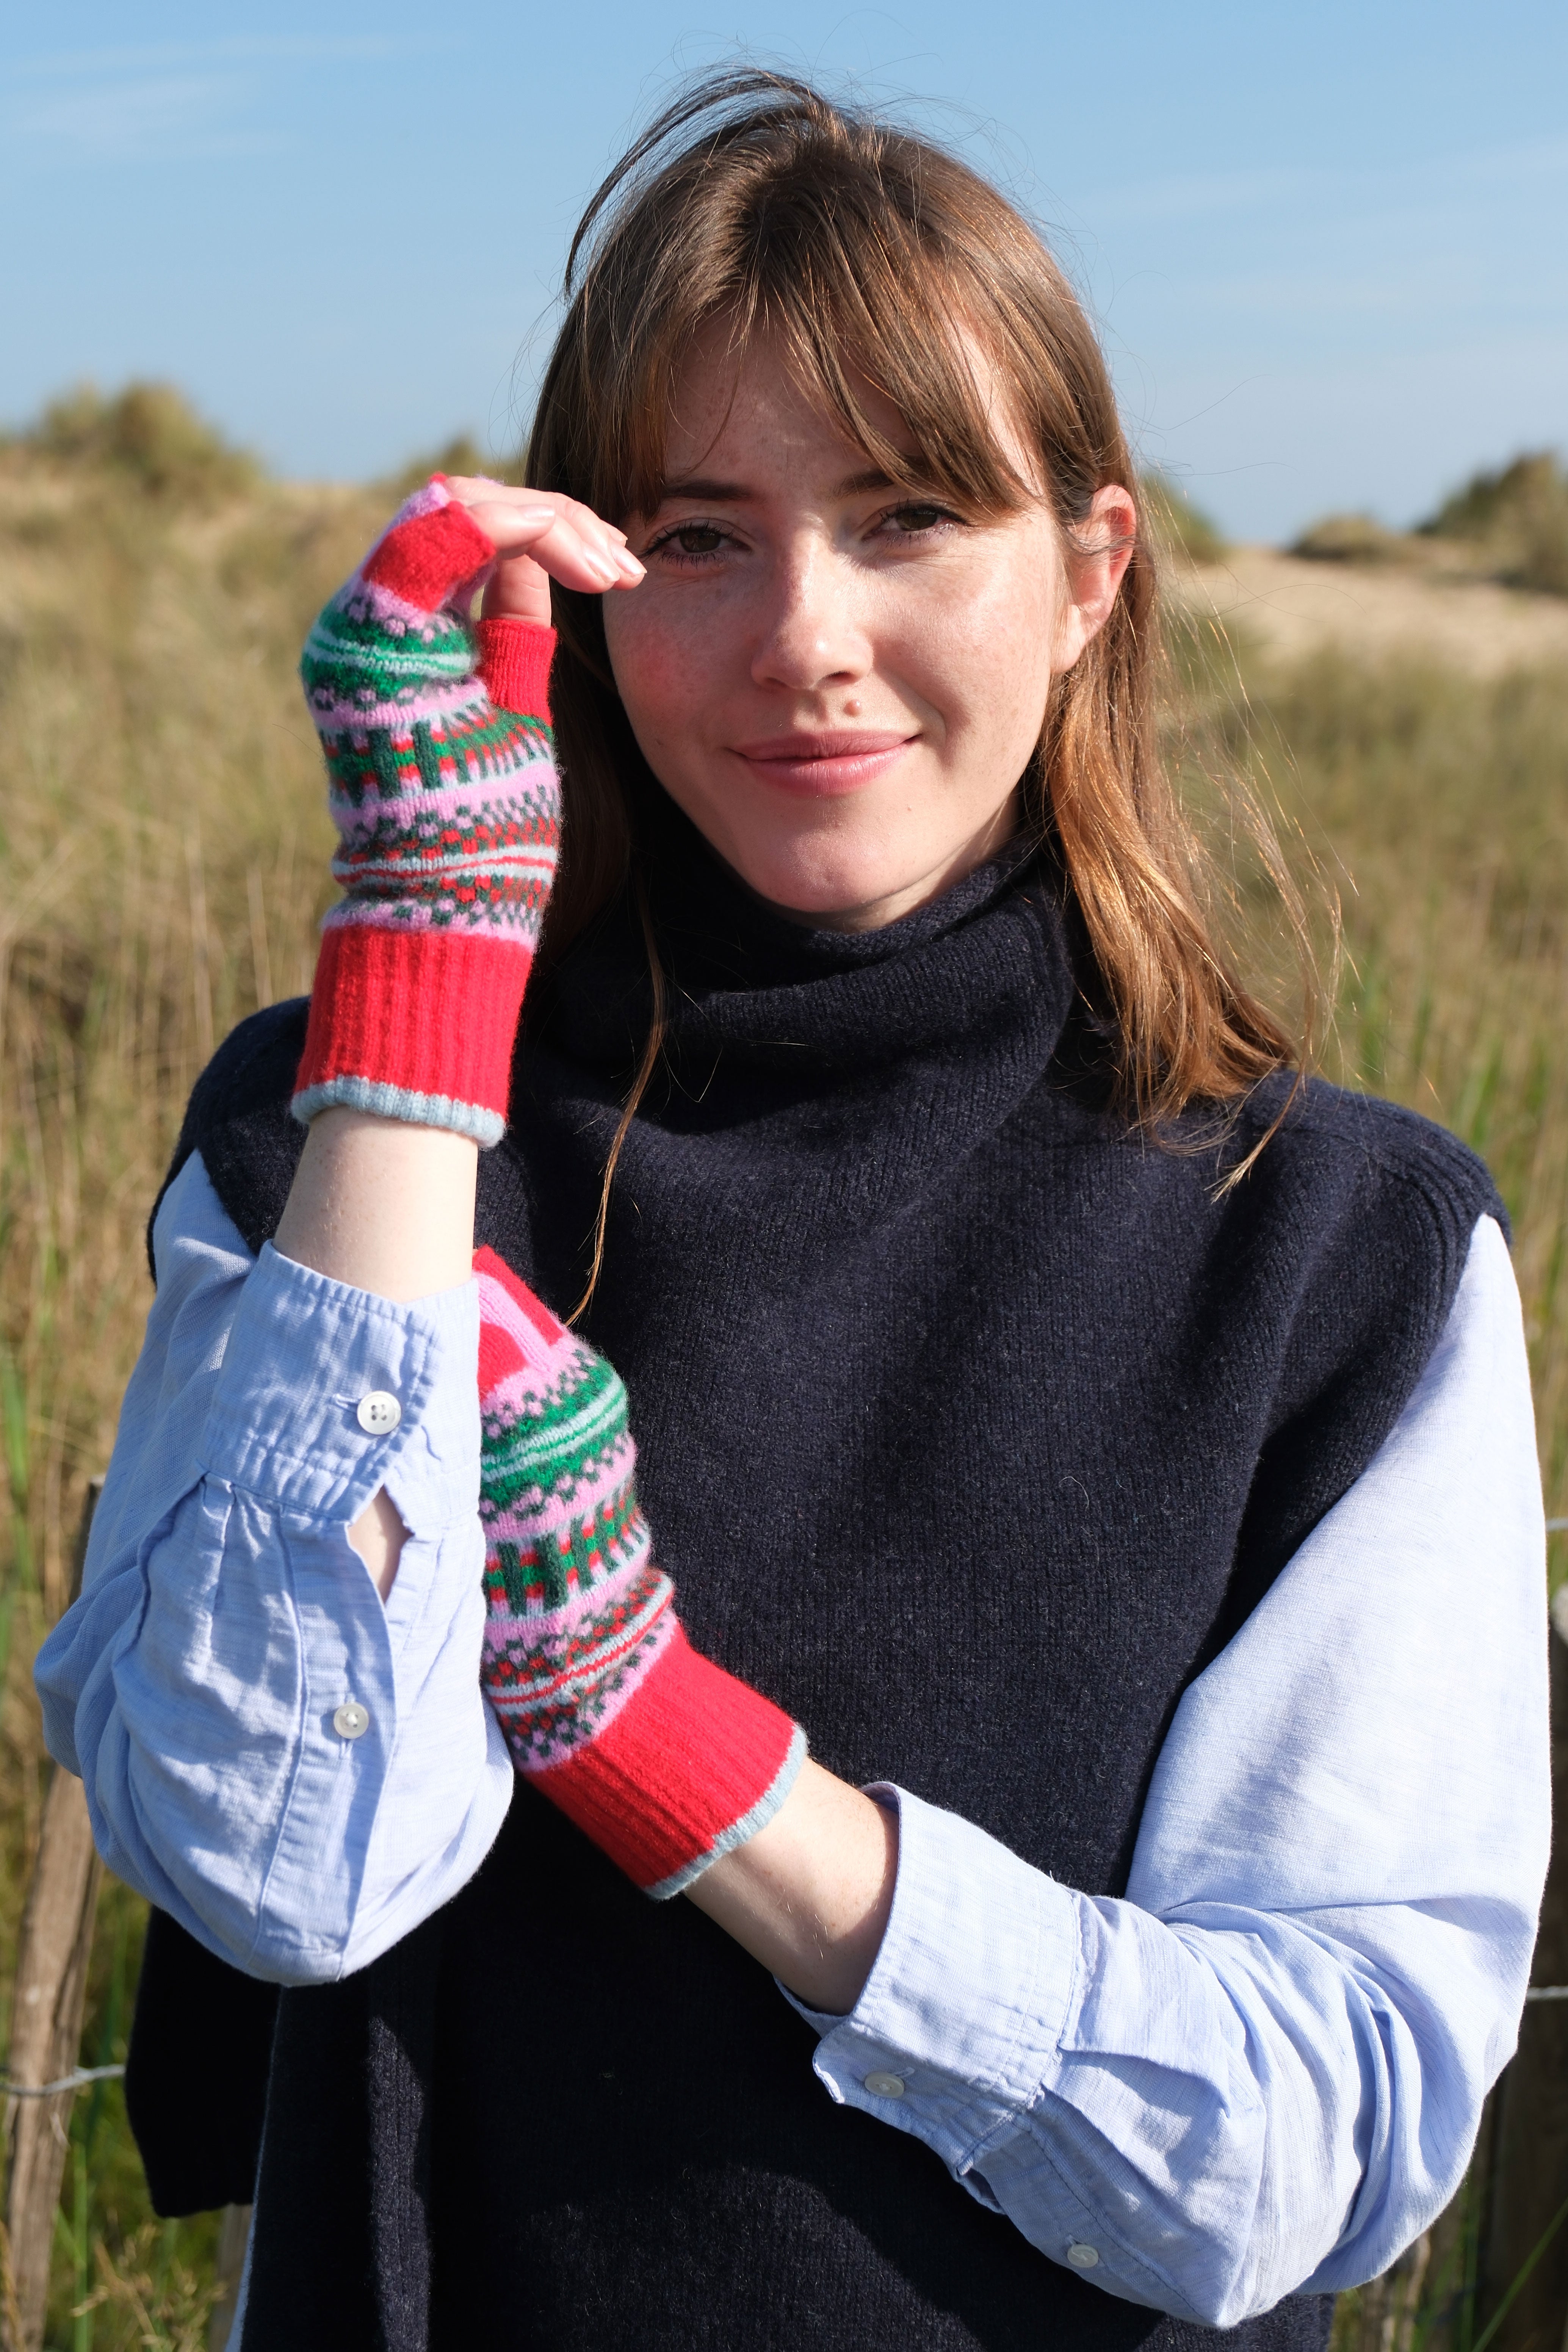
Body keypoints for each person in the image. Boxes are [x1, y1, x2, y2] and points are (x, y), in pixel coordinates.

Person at [36, 69, 1549, 2352]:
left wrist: (671, 1751)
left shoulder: (1336, 1256)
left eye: (913, 515)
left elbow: (1308, 2140)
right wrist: (425, 974)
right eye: (704, 533)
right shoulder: (348, 1141)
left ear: (1090, 577)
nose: (803, 637)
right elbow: (271, 1872)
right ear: (586, 583)